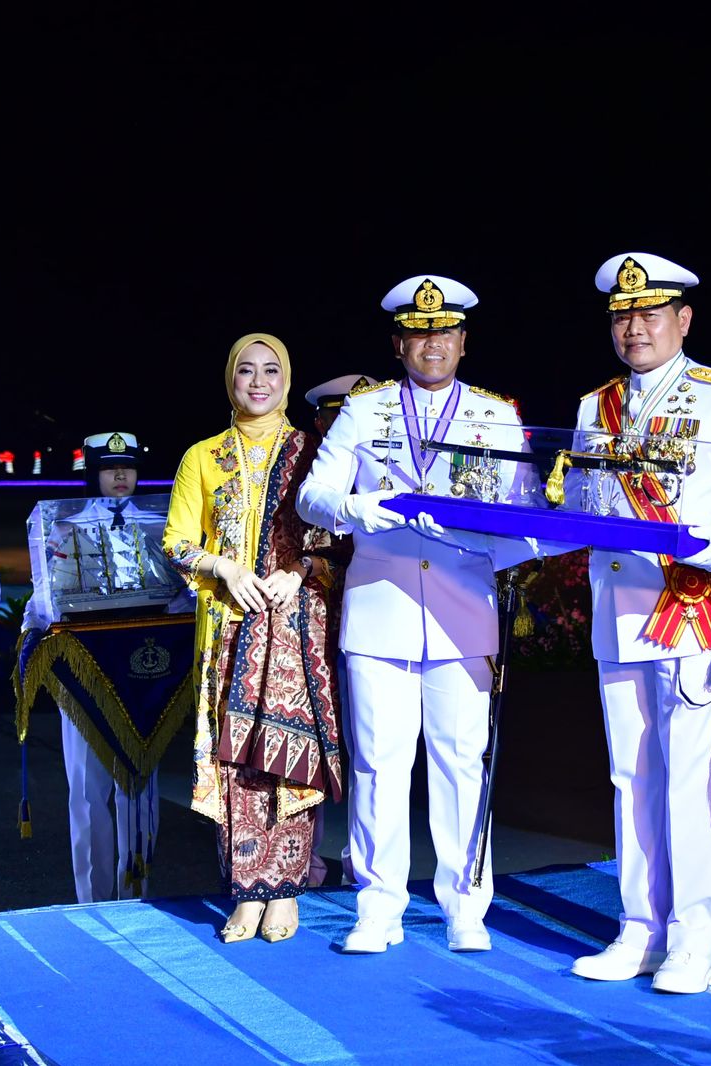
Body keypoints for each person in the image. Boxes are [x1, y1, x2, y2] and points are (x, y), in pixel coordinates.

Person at [568, 253, 711, 993]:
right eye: (622, 316)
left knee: (695, 780)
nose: (635, 327)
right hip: (618, 611)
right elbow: (582, 507)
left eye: (650, 313)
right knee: (630, 776)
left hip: (691, 610)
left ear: (683, 319)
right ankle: (640, 927)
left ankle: (696, 939)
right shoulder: (593, 407)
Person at [297, 275, 536, 954]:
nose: (433, 343)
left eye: (445, 332)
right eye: (419, 333)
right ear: (398, 343)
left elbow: (522, 510)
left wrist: (500, 541)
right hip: (381, 610)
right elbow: (313, 495)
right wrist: (355, 509)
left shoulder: (494, 414)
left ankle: (466, 907)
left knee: (462, 763)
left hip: (462, 611)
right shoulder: (364, 411)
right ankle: (378, 907)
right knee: (379, 763)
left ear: (463, 341)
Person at [164, 333, 342, 944]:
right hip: (229, 626)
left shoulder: (314, 452)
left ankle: (285, 888)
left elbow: (339, 542)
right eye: (247, 370)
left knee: (290, 754)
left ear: (287, 381)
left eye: (271, 370)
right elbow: (177, 543)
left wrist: (301, 570)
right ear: (230, 380)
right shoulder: (203, 457)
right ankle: (246, 889)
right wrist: (225, 569)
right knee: (235, 757)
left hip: (296, 626)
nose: (259, 382)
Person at [23, 431, 188, 902]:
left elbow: (182, 591)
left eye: (128, 467)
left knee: (140, 787)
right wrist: (40, 628)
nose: (120, 476)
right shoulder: (61, 526)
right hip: (84, 664)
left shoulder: (162, 522)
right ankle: (92, 899)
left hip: (142, 666)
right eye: (110, 468)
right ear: (92, 474)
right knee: (86, 788)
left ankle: (136, 894)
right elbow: (43, 595)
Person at [297, 373, 377, 887]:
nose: (343, 425)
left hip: (371, 617)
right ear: (321, 421)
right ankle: (304, 857)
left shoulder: (382, 465)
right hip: (310, 621)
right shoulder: (304, 471)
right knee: (309, 737)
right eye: (334, 416)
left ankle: (359, 860)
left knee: (368, 744)